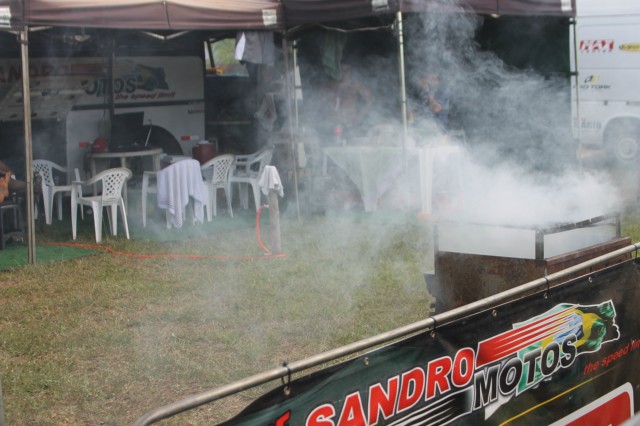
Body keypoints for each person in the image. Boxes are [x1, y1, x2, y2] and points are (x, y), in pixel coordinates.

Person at [320, 63, 375, 142]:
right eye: (342, 70)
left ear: (350, 72)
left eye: (347, 70)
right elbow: (320, 100)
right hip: (333, 124)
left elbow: (371, 99)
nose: (344, 73)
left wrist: (360, 115)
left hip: (351, 123)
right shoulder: (330, 84)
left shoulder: (355, 85)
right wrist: (328, 109)